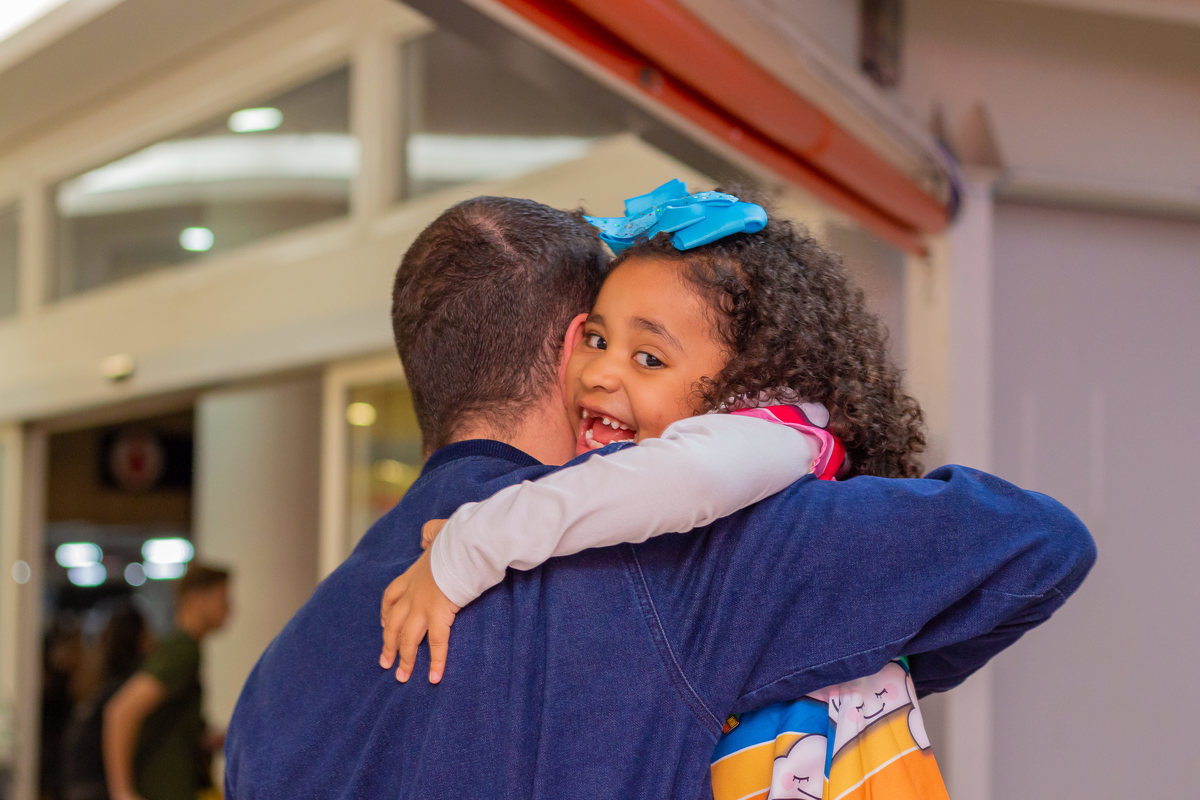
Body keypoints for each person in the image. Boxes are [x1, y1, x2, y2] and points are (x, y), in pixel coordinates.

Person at [224, 195, 1095, 799]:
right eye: (609, 343)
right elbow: (1037, 544)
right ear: (577, 346)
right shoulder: (688, 557)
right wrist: (834, 655)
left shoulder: (276, 680)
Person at [376, 184, 951, 800]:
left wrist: (472, 545)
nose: (601, 372)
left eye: (649, 358)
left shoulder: (765, 442)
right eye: (597, 340)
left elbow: (653, 484)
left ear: (748, 384)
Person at [104, 564, 231, 800]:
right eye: (221, 598)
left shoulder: (181, 647)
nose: (228, 608)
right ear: (195, 599)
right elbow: (120, 712)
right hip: (162, 789)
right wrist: (122, 791)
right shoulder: (181, 650)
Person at [61, 603, 153, 800]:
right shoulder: (130, 682)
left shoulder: (99, 678)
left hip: (77, 781)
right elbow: (117, 714)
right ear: (139, 637)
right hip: (95, 784)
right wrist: (123, 791)